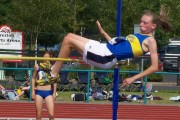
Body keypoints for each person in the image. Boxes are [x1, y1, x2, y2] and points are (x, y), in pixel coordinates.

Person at [50, 6, 171, 87]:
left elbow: (154, 67)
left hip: (106, 56)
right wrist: (103, 32)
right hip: (104, 48)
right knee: (69, 36)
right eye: (141, 21)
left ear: (153, 26)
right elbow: (117, 44)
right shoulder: (138, 34)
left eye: (145, 23)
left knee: (68, 40)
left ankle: (53, 74)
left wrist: (133, 78)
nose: (141, 24)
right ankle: (53, 72)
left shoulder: (150, 41)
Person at [32, 51, 57, 120]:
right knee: (38, 114)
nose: (46, 58)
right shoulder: (37, 66)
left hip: (48, 92)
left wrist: (54, 93)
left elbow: (55, 81)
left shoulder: (52, 68)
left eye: (48, 57)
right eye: (45, 57)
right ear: (42, 57)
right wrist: (33, 91)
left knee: (51, 115)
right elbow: (33, 78)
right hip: (39, 92)